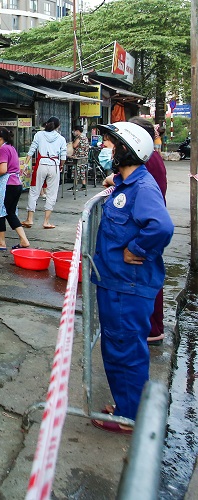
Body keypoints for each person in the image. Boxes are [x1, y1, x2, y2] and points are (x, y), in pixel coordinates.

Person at [91, 121, 174, 434]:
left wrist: (136, 248)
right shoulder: (129, 183)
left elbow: (162, 227)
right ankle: (127, 404)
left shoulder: (142, 187)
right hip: (117, 282)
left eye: (111, 144)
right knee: (118, 346)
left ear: (126, 150)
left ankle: (129, 416)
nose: (105, 148)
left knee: (124, 349)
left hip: (128, 285)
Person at [109, 117, 168, 346]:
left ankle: (151, 329)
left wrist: (137, 246)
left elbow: (161, 225)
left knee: (145, 284)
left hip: (143, 231)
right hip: (142, 228)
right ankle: (151, 327)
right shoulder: (150, 159)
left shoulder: (147, 164)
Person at [21, 117, 67, 229]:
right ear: (58, 126)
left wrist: (25, 164)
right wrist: (61, 165)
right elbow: (63, 156)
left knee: (34, 191)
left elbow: (31, 150)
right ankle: (46, 222)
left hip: (41, 164)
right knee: (52, 193)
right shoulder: (61, 139)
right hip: (55, 165)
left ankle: (30, 219)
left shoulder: (39, 135)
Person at [69, 125, 90, 191]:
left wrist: (70, 144)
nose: (73, 132)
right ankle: (84, 185)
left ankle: (75, 186)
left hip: (78, 157)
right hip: (84, 157)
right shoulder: (85, 137)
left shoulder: (79, 137)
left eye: (74, 131)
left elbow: (74, 146)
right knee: (82, 171)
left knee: (76, 171)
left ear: (77, 131)